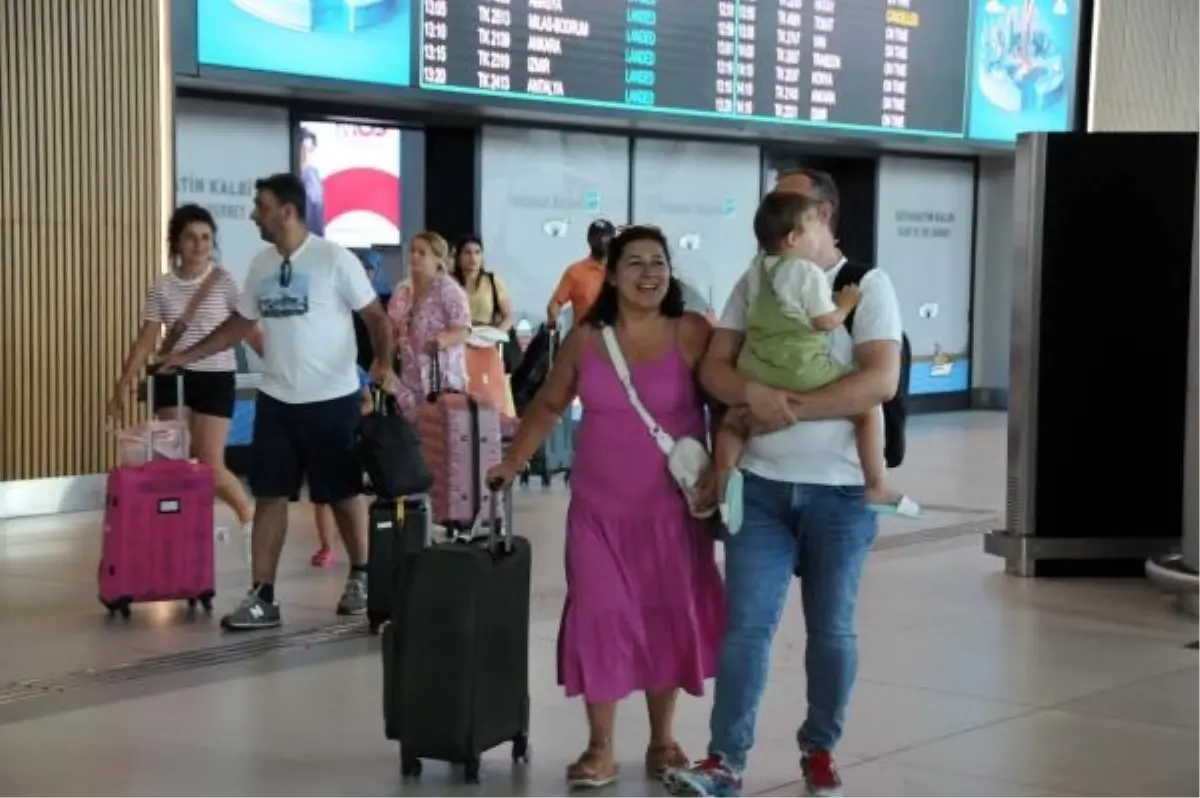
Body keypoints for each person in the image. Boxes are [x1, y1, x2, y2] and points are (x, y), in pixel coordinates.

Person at [664, 168, 903, 798]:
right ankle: (725, 761)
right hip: (761, 488)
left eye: (787, 204)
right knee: (746, 626)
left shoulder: (864, 285)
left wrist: (783, 404)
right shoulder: (757, 278)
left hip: (841, 493)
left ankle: (819, 747)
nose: (775, 216)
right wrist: (750, 396)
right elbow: (716, 368)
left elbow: (879, 382)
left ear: (821, 215)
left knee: (833, 631)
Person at [488, 225, 725, 790]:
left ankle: (663, 740)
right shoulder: (587, 340)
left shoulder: (693, 332)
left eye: (659, 262)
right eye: (636, 263)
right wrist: (512, 461)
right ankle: (599, 745)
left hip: (672, 511)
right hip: (598, 511)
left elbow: (725, 406)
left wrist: (722, 470)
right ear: (611, 274)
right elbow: (549, 403)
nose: (649, 273)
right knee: (601, 614)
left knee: (665, 614)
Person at [160, 172, 397, 631]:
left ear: (286, 211)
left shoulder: (334, 260)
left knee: (343, 493)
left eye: (260, 206)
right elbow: (238, 325)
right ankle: (263, 595)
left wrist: (383, 363)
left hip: (332, 398)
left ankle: (363, 576)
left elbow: (376, 319)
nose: (253, 214)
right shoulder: (261, 265)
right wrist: (185, 356)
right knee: (269, 496)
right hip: (277, 399)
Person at [715, 191, 913, 532]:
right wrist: (845, 305)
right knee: (867, 409)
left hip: (757, 365)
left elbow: (884, 378)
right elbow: (825, 322)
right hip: (802, 367)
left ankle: (724, 474)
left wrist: (763, 402)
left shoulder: (755, 272)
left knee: (735, 420)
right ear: (795, 237)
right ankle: (876, 485)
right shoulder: (806, 274)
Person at [108, 204, 259, 540]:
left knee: (209, 463)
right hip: (173, 379)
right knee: (172, 461)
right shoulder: (163, 286)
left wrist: (279, 364)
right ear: (176, 242)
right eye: (190, 237)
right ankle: (182, 529)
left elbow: (246, 330)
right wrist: (122, 385)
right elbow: (147, 338)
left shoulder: (224, 282)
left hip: (216, 378)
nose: (199, 245)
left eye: (206, 238)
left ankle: (249, 517)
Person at [312, 250, 381, 568]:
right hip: (321, 405)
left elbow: (367, 396)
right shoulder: (336, 303)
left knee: (346, 489)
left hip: (353, 395)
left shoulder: (374, 307)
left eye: (367, 268)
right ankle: (328, 544)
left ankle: (362, 562)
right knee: (321, 492)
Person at [387, 231, 471, 414]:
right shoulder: (402, 291)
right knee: (412, 434)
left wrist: (442, 340)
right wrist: (383, 360)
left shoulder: (450, 290)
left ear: (437, 259)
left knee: (441, 435)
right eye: (412, 251)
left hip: (442, 377)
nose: (414, 256)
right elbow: (392, 331)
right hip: (410, 379)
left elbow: (463, 328)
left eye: (422, 253)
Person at [451, 235, 516, 417]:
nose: (473, 258)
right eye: (467, 253)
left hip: (488, 344)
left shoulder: (493, 280)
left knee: (493, 393)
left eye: (477, 253)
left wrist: (496, 336)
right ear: (458, 257)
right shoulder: (450, 283)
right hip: (458, 345)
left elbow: (508, 316)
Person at [545, 219, 615, 329]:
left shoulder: (622, 271)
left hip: (618, 340)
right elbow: (555, 304)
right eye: (598, 236)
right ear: (589, 240)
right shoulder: (575, 272)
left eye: (606, 237)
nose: (602, 240)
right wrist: (553, 322)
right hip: (587, 340)